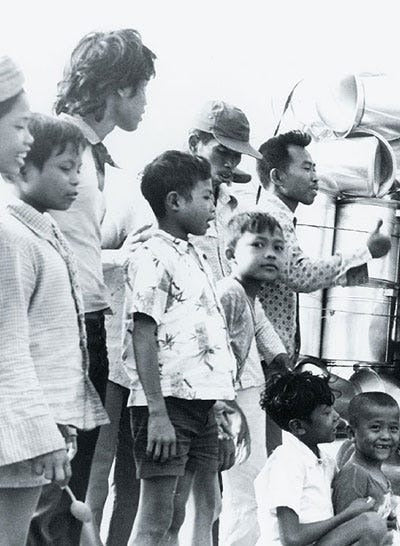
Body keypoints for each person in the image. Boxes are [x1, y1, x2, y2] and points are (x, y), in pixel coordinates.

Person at [33, 28, 156, 546]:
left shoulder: (89, 153)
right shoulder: (59, 146)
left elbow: (78, 245)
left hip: (87, 325)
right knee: (52, 483)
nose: (147, 103)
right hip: (63, 326)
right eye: (143, 89)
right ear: (119, 89)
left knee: (72, 482)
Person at [0, 86, 110, 543]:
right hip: (22, 428)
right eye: (65, 168)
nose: (76, 181)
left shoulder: (43, 235)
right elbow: (10, 348)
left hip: (40, 427)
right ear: (24, 167)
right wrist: (43, 431)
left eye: (79, 170)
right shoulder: (14, 240)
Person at [122, 151, 237, 545]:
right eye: (206, 197)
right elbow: (143, 333)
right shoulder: (153, 254)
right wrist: (156, 412)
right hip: (167, 405)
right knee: (155, 519)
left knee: (176, 517)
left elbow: (199, 335)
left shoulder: (193, 254)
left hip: (199, 407)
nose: (212, 208)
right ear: (174, 201)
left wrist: (217, 404)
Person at [252, 129, 390, 454]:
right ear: (277, 177)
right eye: (306, 168)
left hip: (270, 356)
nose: (315, 177)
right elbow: (300, 274)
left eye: (314, 168)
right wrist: (364, 252)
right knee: (266, 455)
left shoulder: (275, 218)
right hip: (263, 357)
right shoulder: (274, 220)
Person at [216, 211, 291, 545]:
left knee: (250, 485)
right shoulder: (229, 293)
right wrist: (230, 410)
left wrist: (281, 362)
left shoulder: (248, 294)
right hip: (233, 396)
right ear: (231, 253)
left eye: (277, 246)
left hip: (248, 390)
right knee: (245, 490)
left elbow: (261, 327)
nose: (271, 254)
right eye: (258, 245)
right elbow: (218, 354)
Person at [255, 371, 388, 546]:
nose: (336, 416)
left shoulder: (324, 461)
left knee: (379, 525)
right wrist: (347, 515)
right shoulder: (286, 462)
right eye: (326, 413)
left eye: (332, 409)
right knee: (371, 524)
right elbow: (292, 538)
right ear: (298, 426)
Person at [188, 100, 263, 280]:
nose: (230, 163)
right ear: (194, 144)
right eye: (222, 151)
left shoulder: (238, 210)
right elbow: (108, 251)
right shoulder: (154, 198)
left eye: (237, 155)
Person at [331, 392, 400, 530]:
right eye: (375, 428)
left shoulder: (375, 471)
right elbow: (344, 534)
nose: (386, 436)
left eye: (393, 428)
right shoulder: (355, 477)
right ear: (351, 434)